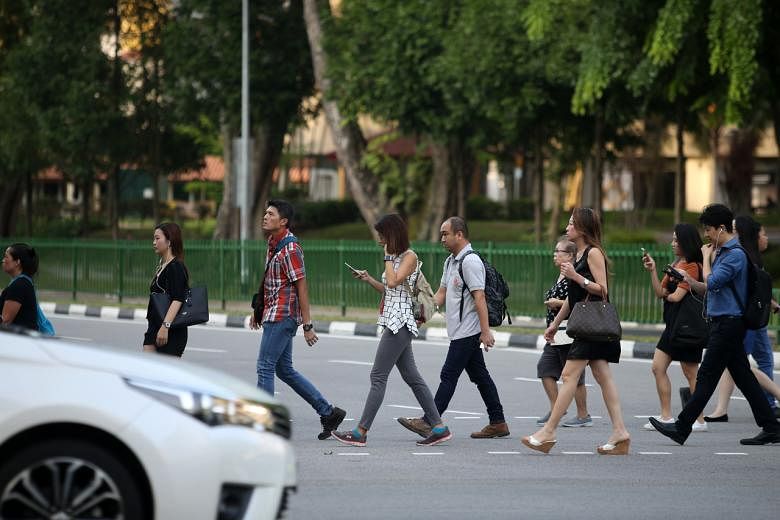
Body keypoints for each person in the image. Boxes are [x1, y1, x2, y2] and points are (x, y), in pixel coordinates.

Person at [649, 204, 780, 445]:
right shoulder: (722, 252)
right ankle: (772, 427)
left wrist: (707, 260)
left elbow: (714, 280)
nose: (706, 235)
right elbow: (707, 287)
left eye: (709, 230)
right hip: (721, 322)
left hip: (729, 324)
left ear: (721, 228)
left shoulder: (735, 255)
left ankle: (681, 426)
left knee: (707, 375)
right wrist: (689, 279)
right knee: (744, 378)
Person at [331, 214, 452, 447]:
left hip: (401, 323)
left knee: (378, 376)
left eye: (382, 234)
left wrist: (387, 257)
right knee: (412, 377)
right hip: (393, 320)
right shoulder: (394, 257)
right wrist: (369, 279)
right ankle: (438, 427)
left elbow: (395, 282)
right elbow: (389, 290)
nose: (379, 238)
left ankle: (360, 432)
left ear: (392, 235)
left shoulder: (409, 257)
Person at [522, 208, 630, 455]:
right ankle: (620, 431)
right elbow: (573, 298)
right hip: (585, 325)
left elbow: (602, 289)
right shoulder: (579, 254)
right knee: (603, 377)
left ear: (582, 228)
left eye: (571, 224)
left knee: (570, 376)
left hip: (591, 326)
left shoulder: (593, 253)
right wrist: (555, 323)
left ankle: (549, 431)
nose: (567, 227)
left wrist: (576, 277)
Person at [397, 216, 510, 439]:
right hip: (459, 330)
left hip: (469, 330)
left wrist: (485, 331)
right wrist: (423, 315)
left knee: (448, 374)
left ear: (459, 234)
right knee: (480, 376)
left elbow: (480, 297)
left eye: (445, 234)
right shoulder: (451, 262)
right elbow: (441, 294)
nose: (442, 238)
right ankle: (498, 422)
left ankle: (430, 420)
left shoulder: (470, 262)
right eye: (441, 234)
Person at [250, 199, 345, 440]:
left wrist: (308, 324)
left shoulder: (290, 248)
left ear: (283, 221)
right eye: (265, 212)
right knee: (284, 369)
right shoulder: (273, 243)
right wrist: (258, 310)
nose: (265, 217)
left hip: (283, 315)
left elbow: (301, 286)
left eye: (270, 214)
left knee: (265, 366)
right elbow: (272, 284)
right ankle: (328, 412)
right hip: (274, 312)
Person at [705, 217, 780, 421]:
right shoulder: (742, 255)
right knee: (742, 365)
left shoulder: (739, 256)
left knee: (742, 365)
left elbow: (713, 282)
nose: (765, 238)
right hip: (750, 318)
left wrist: (706, 258)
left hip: (742, 318)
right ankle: (766, 412)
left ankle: (768, 404)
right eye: (763, 233)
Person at [641, 224, 707, 431]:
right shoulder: (677, 263)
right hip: (673, 326)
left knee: (691, 373)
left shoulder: (693, 267)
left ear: (686, 242)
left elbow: (677, 297)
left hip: (687, 327)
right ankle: (666, 415)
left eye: (676, 240)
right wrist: (652, 270)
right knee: (657, 367)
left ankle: (700, 420)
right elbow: (661, 292)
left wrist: (670, 293)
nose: (672, 243)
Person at [535, 237, 591, 428]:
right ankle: (557, 408)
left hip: (569, 331)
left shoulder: (574, 275)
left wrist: (557, 304)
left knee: (575, 377)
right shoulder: (561, 275)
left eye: (559, 251)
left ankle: (584, 415)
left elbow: (579, 300)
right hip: (555, 333)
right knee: (545, 369)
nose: (555, 255)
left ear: (570, 255)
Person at [144, 223, 190, 357]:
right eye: (154, 239)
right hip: (154, 327)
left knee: (166, 375)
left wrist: (165, 327)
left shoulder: (176, 267)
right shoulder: (164, 265)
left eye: (157, 238)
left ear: (169, 241)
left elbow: (178, 299)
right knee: (148, 370)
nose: (154, 242)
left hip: (170, 330)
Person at [1, 243, 40, 330]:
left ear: (17, 262)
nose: (3, 260)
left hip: (21, 340)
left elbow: (5, 321)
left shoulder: (19, 285)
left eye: (6, 257)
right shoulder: (23, 282)